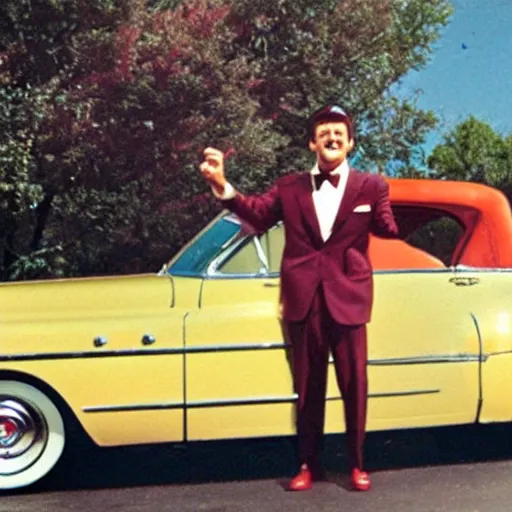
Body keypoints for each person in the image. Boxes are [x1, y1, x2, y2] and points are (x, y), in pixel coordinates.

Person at [199, 105, 398, 492]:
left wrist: (384, 208)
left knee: (354, 384)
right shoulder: (290, 187)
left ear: (350, 143)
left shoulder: (371, 187)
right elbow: (256, 215)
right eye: (324, 132)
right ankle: (309, 465)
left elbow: (388, 227)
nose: (332, 138)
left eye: (340, 133)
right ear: (312, 142)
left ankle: (357, 464)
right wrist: (223, 184)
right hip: (303, 297)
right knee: (308, 388)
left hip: (349, 296)